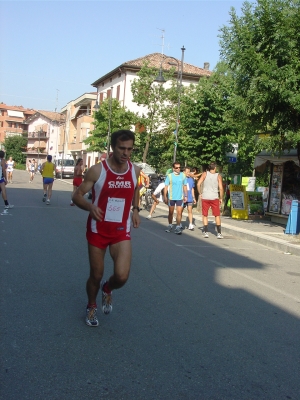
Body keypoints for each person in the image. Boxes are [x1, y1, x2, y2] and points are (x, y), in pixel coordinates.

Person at [72, 129, 141, 327]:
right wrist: (90, 207)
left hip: (121, 230)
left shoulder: (134, 170)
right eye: (122, 148)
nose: (126, 153)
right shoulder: (98, 170)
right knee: (96, 274)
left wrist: (135, 209)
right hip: (98, 229)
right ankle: (91, 305)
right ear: (113, 147)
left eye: (129, 149)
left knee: (122, 276)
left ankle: (108, 288)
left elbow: (136, 188)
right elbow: (76, 196)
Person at [197, 161, 224, 239]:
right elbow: (221, 188)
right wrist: (221, 198)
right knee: (217, 215)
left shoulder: (205, 174)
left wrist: (200, 193)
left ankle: (205, 232)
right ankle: (219, 233)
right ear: (215, 167)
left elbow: (198, 184)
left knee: (205, 214)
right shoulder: (218, 176)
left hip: (205, 196)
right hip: (214, 197)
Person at [163, 162, 187, 235]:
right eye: (176, 168)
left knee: (179, 212)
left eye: (179, 167)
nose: (178, 169)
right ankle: (170, 225)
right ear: (173, 168)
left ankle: (177, 227)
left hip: (180, 197)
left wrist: (185, 196)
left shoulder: (183, 175)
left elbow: (185, 186)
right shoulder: (169, 176)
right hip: (171, 197)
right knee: (171, 212)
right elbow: (166, 187)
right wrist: (165, 196)